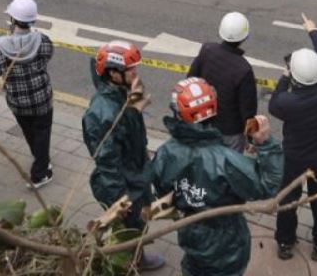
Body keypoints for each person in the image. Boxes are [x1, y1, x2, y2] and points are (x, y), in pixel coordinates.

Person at [152, 77, 284, 276]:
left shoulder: (164, 154)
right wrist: (266, 144)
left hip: (191, 235)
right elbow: (268, 186)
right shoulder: (227, 161)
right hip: (228, 245)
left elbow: (163, 194)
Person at [83, 40, 164, 271]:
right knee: (130, 227)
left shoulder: (118, 96)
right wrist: (120, 200)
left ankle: (136, 257)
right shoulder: (103, 113)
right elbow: (107, 164)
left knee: (136, 226)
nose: (135, 73)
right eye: (130, 69)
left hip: (135, 173)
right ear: (113, 74)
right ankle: (130, 263)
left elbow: (126, 133)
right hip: (125, 184)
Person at [269, 13, 317, 262]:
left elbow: (273, 104)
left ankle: (285, 241)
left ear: (295, 77)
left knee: (288, 200)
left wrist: (283, 77)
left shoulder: (288, 102)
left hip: (295, 159)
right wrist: (313, 30)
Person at [0, 0, 54, 188]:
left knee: (29, 131)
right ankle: (40, 173)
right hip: (42, 98)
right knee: (42, 131)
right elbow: (47, 56)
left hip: (17, 100)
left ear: (13, 19)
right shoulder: (43, 40)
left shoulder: (0, 45)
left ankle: (40, 158)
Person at [187, 11, 257, 152]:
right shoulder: (244, 69)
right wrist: (251, 138)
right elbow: (248, 111)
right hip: (230, 132)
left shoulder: (207, 50)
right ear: (245, 36)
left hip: (204, 122)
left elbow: (190, 81)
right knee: (228, 169)